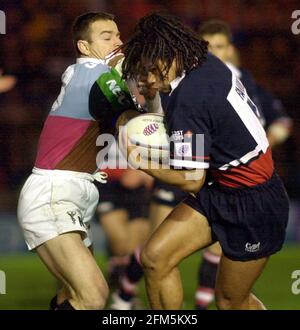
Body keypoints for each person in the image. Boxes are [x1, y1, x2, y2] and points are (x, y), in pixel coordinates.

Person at [120, 13, 289, 310]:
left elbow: (191, 179)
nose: (146, 79)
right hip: (219, 189)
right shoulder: (204, 62)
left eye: (148, 70)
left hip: (253, 203)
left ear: (166, 55)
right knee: (155, 259)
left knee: (230, 302)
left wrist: (139, 160)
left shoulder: (190, 99)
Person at [17, 12, 138, 310]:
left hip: (75, 192)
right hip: (53, 193)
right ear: (84, 47)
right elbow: (133, 116)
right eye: (107, 37)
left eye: (119, 36)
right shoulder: (90, 73)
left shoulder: (101, 78)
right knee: (94, 296)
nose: (118, 42)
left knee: (71, 295)